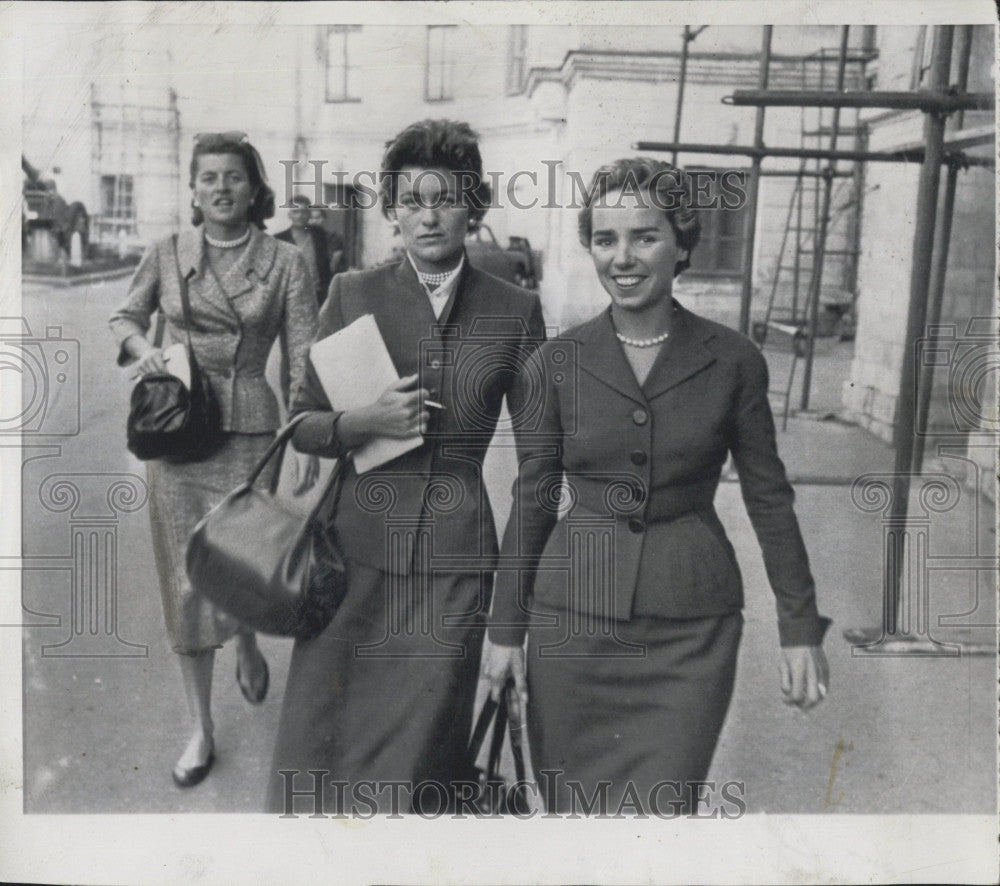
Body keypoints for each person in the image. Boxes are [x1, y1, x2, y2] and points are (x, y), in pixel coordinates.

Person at [483, 157, 831, 815]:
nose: (624, 257)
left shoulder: (733, 361)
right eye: (605, 239)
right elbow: (532, 497)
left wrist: (800, 625)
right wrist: (505, 632)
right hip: (571, 627)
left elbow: (768, 497)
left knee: (659, 825)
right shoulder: (556, 363)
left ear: (681, 243)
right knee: (574, 823)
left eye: (644, 236)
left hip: (690, 633)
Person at [267, 119, 545, 814]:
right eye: (411, 197)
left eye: (446, 197)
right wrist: (366, 423)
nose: (428, 213)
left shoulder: (515, 313)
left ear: (474, 207)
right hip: (349, 564)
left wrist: (508, 624)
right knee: (317, 758)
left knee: (413, 772)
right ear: (390, 208)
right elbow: (300, 425)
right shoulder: (351, 294)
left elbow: (541, 473)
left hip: (453, 577)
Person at [109, 132, 319, 788]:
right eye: (208, 178)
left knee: (241, 568)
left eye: (234, 177)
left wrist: (307, 434)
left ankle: (247, 636)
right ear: (194, 191)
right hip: (177, 433)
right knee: (184, 579)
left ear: (256, 190)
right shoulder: (168, 254)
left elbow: (305, 353)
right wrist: (143, 347)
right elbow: (123, 317)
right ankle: (200, 727)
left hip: (252, 436)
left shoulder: (286, 261)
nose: (221, 188)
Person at [275, 194, 334, 308]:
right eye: (296, 212)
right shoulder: (280, 239)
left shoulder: (319, 234)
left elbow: (326, 267)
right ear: (289, 215)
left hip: (318, 295)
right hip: (290, 297)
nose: (300, 216)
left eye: (304, 212)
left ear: (309, 214)